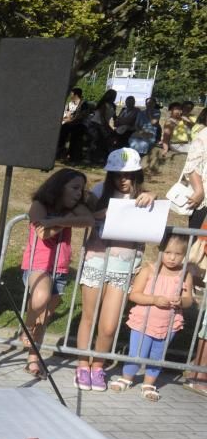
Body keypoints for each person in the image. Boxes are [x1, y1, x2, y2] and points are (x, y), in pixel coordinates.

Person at [75, 148, 157, 391]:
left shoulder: (143, 195)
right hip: (97, 259)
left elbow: (154, 222)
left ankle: (98, 365)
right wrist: (103, 212)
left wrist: (151, 196)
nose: (124, 180)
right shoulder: (99, 190)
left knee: (109, 324)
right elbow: (85, 215)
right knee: (89, 316)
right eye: (118, 175)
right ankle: (82, 364)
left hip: (123, 265)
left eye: (129, 175)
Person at [20, 168, 94, 377]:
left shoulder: (74, 208)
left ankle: (33, 360)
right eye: (74, 187)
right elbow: (43, 233)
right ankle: (26, 326)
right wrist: (64, 220)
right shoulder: (40, 204)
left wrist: (58, 220)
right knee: (40, 298)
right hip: (38, 263)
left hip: (60, 267)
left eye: (81, 188)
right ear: (59, 186)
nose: (79, 193)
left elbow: (88, 219)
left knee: (45, 317)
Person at [108, 235, 194, 401]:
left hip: (168, 324)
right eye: (168, 252)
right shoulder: (149, 270)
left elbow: (189, 299)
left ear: (184, 255)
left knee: (157, 355)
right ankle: (127, 378)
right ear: (160, 251)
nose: (172, 257)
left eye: (177, 253)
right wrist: (154, 299)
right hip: (143, 322)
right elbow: (134, 295)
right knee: (137, 352)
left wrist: (181, 301)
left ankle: (149, 384)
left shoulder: (185, 274)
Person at [180, 112, 207, 231]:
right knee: (198, 244)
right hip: (204, 199)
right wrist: (199, 190)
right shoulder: (204, 135)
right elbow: (192, 165)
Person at [86, 89, 117, 164]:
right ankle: (90, 158)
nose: (114, 97)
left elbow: (114, 117)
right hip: (95, 124)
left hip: (103, 125)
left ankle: (100, 158)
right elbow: (102, 118)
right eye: (113, 95)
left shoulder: (113, 105)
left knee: (102, 142)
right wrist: (108, 128)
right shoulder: (103, 104)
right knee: (95, 141)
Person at [58, 87, 88, 161]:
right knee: (62, 128)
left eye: (71, 94)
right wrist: (67, 118)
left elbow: (81, 117)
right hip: (70, 123)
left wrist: (70, 120)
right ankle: (61, 151)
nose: (70, 96)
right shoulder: (70, 104)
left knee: (68, 129)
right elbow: (66, 114)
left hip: (80, 124)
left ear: (76, 95)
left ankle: (69, 154)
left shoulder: (84, 104)